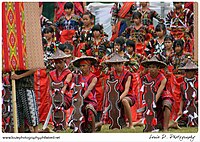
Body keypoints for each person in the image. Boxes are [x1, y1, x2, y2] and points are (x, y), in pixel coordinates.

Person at [141, 55, 174, 132]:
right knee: (156, 125)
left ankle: (166, 128)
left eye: (154, 67)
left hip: (163, 96)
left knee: (167, 104)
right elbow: (145, 92)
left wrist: (153, 103)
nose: (151, 69)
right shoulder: (145, 78)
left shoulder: (163, 78)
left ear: (158, 68)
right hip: (150, 96)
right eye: (150, 67)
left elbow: (159, 92)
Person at [104, 52, 136, 129]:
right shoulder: (111, 74)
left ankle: (131, 124)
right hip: (116, 95)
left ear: (123, 64)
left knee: (124, 101)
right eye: (115, 64)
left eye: (119, 64)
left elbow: (126, 90)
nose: (118, 66)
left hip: (128, 96)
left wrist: (118, 99)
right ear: (113, 65)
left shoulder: (128, 74)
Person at [71, 55, 98, 132]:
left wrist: (81, 99)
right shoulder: (76, 77)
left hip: (90, 101)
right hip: (79, 101)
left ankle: (93, 130)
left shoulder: (93, 78)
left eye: (84, 65)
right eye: (80, 66)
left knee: (89, 108)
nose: (82, 68)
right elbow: (73, 88)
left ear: (89, 66)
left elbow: (89, 90)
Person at [48, 48, 73, 131]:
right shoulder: (51, 74)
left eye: (60, 62)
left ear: (64, 61)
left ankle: (64, 124)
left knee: (60, 102)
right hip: (55, 96)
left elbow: (65, 85)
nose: (58, 65)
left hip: (65, 96)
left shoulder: (68, 73)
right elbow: (49, 88)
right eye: (56, 63)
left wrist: (60, 94)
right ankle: (56, 125)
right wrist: (52, 96)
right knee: (55, 102)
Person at [169, 59, 198, 129]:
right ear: (185, 72)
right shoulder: (182, 84)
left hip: (197, 106)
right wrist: (180, 110)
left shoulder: (198, 81)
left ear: (194, 72)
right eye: (188, 71)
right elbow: (182, 98)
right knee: (183, 119)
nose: (190, 73)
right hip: (187, 107)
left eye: (191, 71)